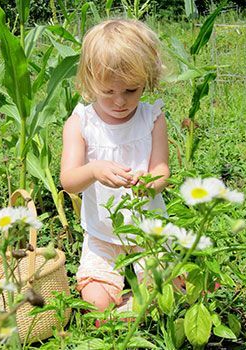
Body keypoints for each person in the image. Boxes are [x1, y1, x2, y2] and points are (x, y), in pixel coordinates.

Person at [60, 18, 170, 312]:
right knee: (96, 299)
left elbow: (162, 171)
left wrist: (150, 184)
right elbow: (69, 180)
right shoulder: (80, 123)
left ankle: (139, 303)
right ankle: (124, 305)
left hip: (149, 230)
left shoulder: (152, 119)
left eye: (131, 91)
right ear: (88, 81)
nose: (120, 101)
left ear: (147, 79)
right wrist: (94, 170)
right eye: (108, 92)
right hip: (102, 234)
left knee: (164, 288)